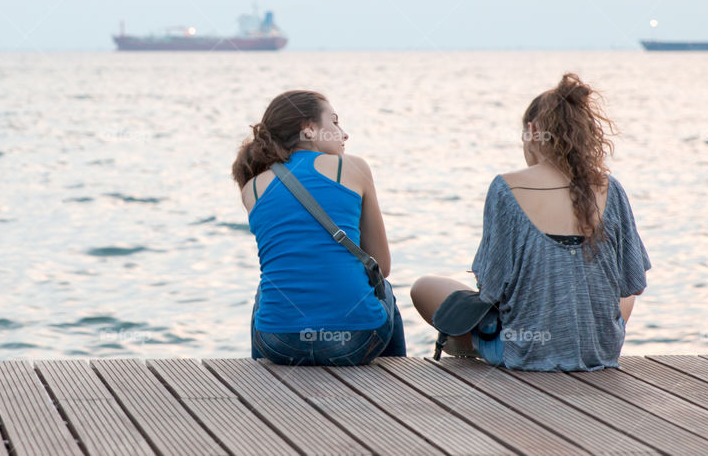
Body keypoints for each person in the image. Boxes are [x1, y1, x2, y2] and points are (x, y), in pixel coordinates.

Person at [411, 73, 651, 371]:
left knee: (425, 286)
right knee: (622, 294)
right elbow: (634, 285)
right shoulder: (610, 188)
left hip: (527, 353)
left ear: (532, 130)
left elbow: (491, 288)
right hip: (598, 353)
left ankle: (471, 345)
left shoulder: (505, 187)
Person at [232, 90, 406, 365]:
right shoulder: (353, 168)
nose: (344, 133)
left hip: (278, 345)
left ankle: (261, 376)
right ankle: (397, 376)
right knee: (382, 286)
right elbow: (381, 266)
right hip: (356, 341)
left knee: (267, 290)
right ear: (310, 129)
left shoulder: (252, 187)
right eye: (334, 122)